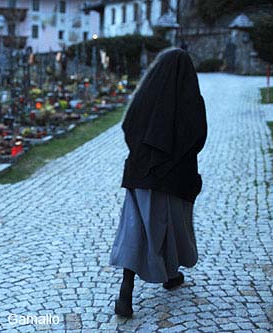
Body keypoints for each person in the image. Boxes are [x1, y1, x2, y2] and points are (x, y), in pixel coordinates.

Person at [109, 48, 207, 317]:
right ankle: (170, 275)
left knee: (135, 229)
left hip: (139, 175)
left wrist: (143, 157)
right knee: (169, 227)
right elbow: (196, 139)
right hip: (171, 179)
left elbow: (129, 127)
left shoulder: (145, 96)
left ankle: (126, 290)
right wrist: (171, 164)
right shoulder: (191, 101)